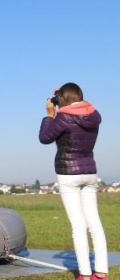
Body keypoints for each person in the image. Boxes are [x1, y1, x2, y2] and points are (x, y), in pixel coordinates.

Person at [39, 83, 107, 280]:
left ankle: (85, 274)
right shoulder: (94, 116)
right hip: (90, 171)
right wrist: (64, 95)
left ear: (62, 100)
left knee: (78, 225)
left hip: (68, 173)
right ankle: (101, 272)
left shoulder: (63, 117)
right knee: (95, 223)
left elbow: (44, 138)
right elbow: (83, 105)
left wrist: (49, 114)